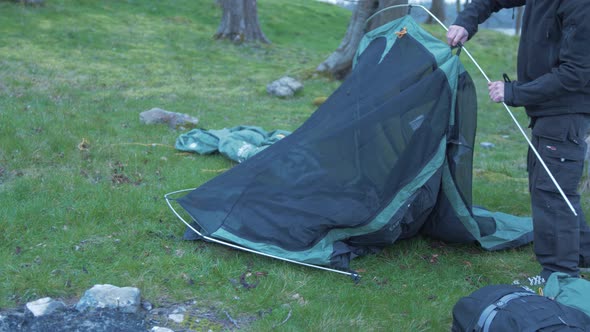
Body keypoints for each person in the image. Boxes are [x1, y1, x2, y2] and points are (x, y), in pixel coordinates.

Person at [446, 0, 590, 282]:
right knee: (551, 186)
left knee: (552, 193)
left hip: (566, 111)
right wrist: (467, 19)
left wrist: (516, 92)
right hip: (547, 110)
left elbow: (577, 73)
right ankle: (583, 254)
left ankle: (558, 275)